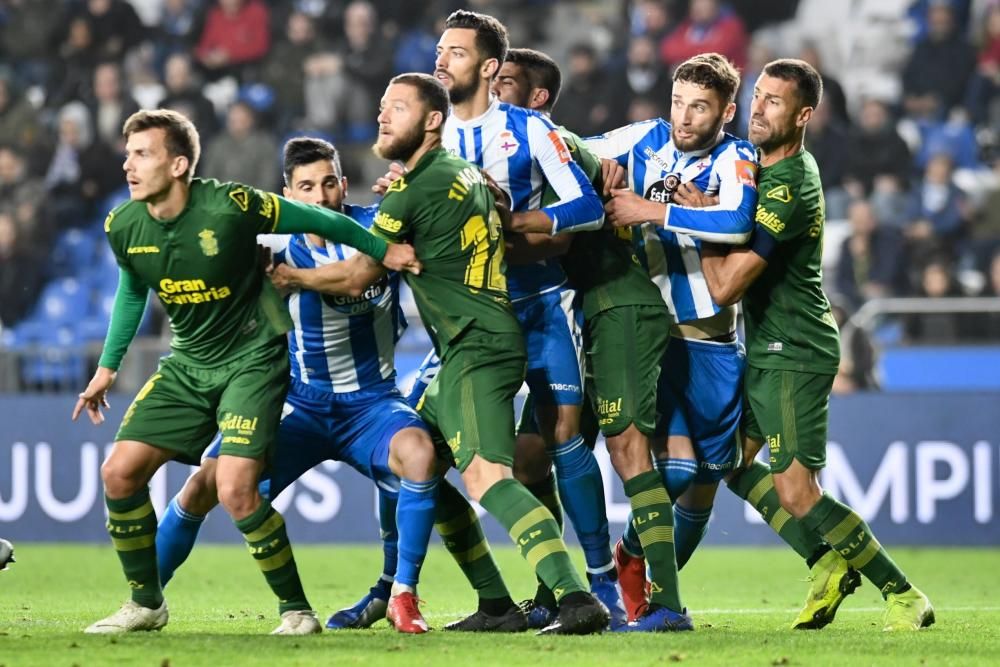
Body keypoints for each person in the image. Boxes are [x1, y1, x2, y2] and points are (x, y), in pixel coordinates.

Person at [71, 109, 419, 635]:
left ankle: (297, 611)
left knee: (237, 487)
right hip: (188, 362)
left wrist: (383, 248)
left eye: (142, 154)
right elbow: (131, 290)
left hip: (253, 360)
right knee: (119, 473)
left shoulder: (232, 206)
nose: (128, 165)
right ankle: (145, 603)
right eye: (129, 154)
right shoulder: (124, 224)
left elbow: (322, 220)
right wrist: (107, 367)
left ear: (179, 163)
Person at [154, 137, 438, 634]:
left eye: (329, 183)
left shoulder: (377, 227)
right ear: (287, 192)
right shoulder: (273, 243)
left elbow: (357, 276)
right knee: (204, 484)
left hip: (371, 401)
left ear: (343, 184)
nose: (321, 196)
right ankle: (144, 597)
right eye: (306, 187)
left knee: (417, 455)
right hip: (297, 403)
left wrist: (294, 280)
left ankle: (401, 594)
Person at [696, 59, 934, 632]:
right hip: (768, 345)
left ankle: (904, 596)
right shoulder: (760, 166)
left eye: (774, 101)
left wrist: (697, 223)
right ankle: (825, 560)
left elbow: (726, 284)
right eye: (758, 96)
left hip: (794, 348)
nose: (758, 107)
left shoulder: (791, 186)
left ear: (803, 115)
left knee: (798, 492)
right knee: (725, 459)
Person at [370, 71, 608, 636]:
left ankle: (580, 595)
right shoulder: (458, 175)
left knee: (487, 476)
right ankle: (496, 604)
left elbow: (362, 269)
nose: (382, 116)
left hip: (485, 339)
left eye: (395, 107)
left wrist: (298, 262)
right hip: (463, 343)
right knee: (416, 458)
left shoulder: (435, 179)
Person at [430, 9, 623, 626]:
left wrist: (512, 222)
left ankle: (599, 587)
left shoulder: (531, 130)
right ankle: (418, 591)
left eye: (455, 52)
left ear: (488, 68)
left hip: (540, 304)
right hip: (468, 318)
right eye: (440, 49)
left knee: (562, 436)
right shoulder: (429, 138)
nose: (441, 60)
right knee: (425, 449)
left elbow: (589, 207)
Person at [494, 47, 679, 633]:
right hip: (568, 312)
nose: (490, 94)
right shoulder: (495, 156)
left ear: (537, 97)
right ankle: (559, 590)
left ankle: (642, 596)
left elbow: (571, 227)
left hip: (605, 306)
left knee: (616, 445)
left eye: (503, 84)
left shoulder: (556, 146)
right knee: (529, 457)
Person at [590, 52, 756, 628]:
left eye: (700, 107)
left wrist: (649, 210)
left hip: (714, 339)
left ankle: (640, 568)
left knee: (708, 477)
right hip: (654, 335)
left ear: (726, 111)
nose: (684, 118)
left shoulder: (738, 157)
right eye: (679, 102)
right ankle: (651, 588)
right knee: (678, 471)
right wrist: (598, 165)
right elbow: (567, 146)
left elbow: (736, 223)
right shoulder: (644, 138)